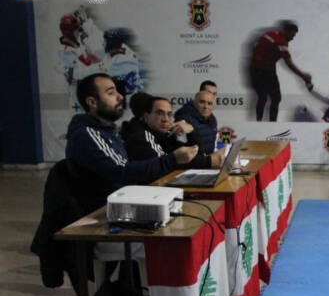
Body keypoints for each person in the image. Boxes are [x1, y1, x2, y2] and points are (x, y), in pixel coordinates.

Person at [65, 73, 197, 211]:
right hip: (104, 211)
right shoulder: (87, 134)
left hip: (122, 203)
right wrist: (173, 159)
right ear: (92, 102)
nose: (120, 96)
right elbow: (122, 172)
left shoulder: (108, 131)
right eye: (111, 93)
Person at [122, 96, 223, 169]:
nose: (165, 119)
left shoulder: (167, 133)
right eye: (159, 113)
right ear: (146, 116)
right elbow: (167, 163)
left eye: (169, 114)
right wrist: (209, 161)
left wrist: (192, 131)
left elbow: (196, 153)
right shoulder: (141, 136)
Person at [250, 20, 312, 122]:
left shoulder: (271, 33)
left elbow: (256, 46)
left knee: (266, 97)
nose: (292, 38)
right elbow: (289, 63)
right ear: (286, 31)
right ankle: (270, 123)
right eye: (292, 35)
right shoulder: (281, 42)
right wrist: (303, 76)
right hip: (262, 70)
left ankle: (260, 121)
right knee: (270, 97)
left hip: (260, 69)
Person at [174, 90, 218, 155]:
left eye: (209, 103)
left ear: (213, 107)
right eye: (202, 102)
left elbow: (213, 145)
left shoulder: (212, 119)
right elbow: (180, 152)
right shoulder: (183, 120)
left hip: (209, 159)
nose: (206, 106)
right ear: (194, 103)